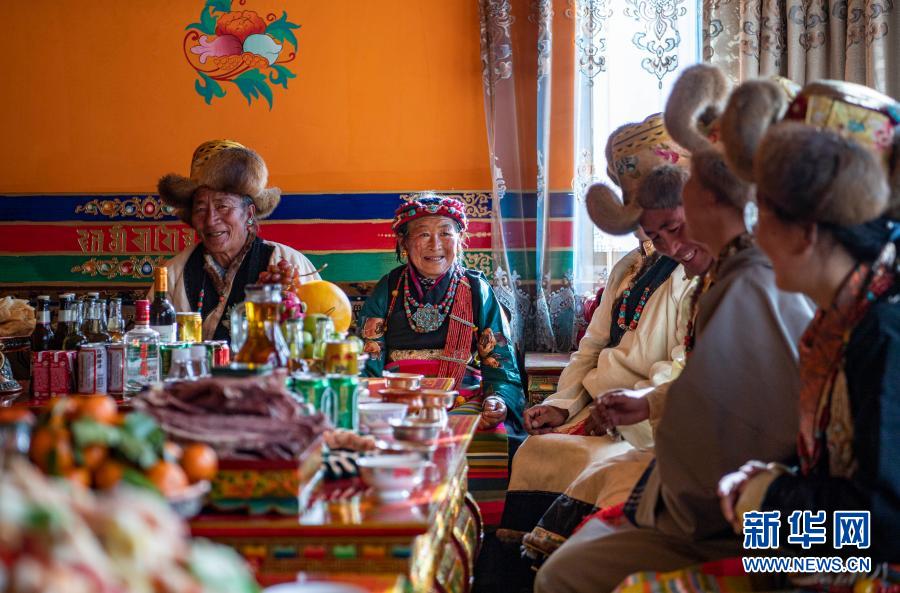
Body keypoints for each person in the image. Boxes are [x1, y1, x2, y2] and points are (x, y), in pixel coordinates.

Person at [533, 64, 815, 593]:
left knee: (567, 573)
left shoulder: (751, 280)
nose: (669, 242)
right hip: (729, 504)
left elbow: (757, 427)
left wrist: (681, 494)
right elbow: (718, 388)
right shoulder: (726, 275)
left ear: (708, 200)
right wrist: (648, 408)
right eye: (654, 232)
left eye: (676, 217)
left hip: (765, 523)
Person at [499, 116, 715, 566]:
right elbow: (592, 347)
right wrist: (563, 404)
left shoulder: (696, 271)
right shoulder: (628, 268)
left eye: (667, 223)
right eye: (647, 224)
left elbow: (684, 364)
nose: (662, 239)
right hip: (601, 407)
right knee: (535, 449)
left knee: (596, 469)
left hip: (642, 424)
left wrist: (631, 408)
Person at [716, 80, 900, 562]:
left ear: (806, 232)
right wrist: (767, 490)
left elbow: (885, 526)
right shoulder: (841, 319)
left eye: (762, 213)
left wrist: (770, 501)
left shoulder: (883, 330)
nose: (755, 233)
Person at [358, 193, 526, 521]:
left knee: (492, 434)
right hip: (400, 398)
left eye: (446, 233)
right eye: (423, 234)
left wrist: (498, 400)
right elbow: (369, 359)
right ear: (404, 243)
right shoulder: (388, 289)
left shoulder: (476, 289)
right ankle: (401, 517)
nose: (435, 244)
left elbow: (499, 361)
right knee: (374, 437)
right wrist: (370, 404)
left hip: (462, 395)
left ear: (459, 240)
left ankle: (472, 526)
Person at [156, 140, 319, 341]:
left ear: (249, 214)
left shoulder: (289, 263)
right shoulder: (173, 273)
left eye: (222, 206)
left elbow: (318, 338)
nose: (210, 220)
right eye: (200, 209)